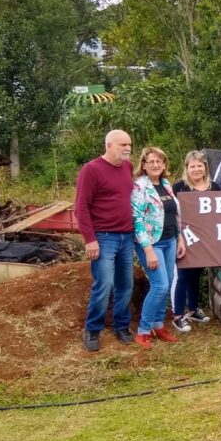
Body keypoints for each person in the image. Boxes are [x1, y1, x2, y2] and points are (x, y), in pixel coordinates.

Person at [76, 129, 136, 352]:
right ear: (109, 145)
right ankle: (92, 329)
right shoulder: (91, 170)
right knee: (104, 283)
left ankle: (121, 326)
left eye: (129, 144)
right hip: (103, 237)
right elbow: (81, 207)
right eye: (123, 145)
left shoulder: (128, 168)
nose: (128, 148)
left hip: (126, 235)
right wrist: (89, 239)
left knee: (125, 284)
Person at [131, 146, 182, 350]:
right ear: (143, 165)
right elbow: (137, 219)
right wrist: (148, 249)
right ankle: (143, 331)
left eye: (159, 161)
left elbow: (174, 214)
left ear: (164, 164)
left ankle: (158, 326)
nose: (155, 165)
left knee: (167, 283)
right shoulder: (139, 187)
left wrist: (181, 240)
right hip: (151, 244)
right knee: (159, 285)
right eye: (151, 161)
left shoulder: (166, 184)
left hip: (170, 240)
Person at [170, 150, 221, 332]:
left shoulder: (215, 186)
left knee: (197, 274)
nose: (196, 169)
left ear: (205, 167)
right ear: (186, 168)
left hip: (206, 238)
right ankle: (177, 315)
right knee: (183, 275)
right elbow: (172, 214)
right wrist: (178, 237)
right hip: (185, 237)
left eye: (200, 165)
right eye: (193, 166)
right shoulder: (178, 188)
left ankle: (192, 309)